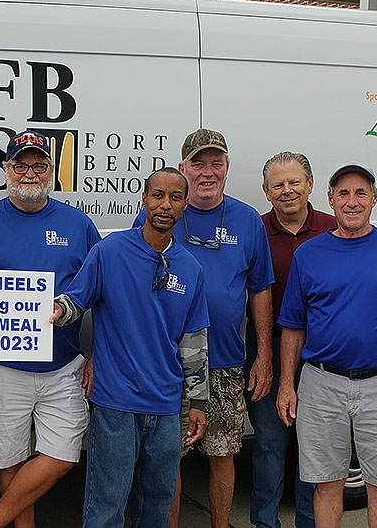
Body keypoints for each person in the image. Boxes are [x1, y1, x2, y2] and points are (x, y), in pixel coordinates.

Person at [276, 163, 377, 528]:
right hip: (321, 385)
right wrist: (288, 383)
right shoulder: (309, 254)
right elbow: (293, 326)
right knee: (326, 485)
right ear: (329, 200)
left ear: (374, 199)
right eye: (343, 194)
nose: (352, 201)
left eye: (361, 193)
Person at [52, 168, 210, 527]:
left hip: (167, 408)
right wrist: (58, 310)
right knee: (107, 505)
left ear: (185, 205)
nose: (165, 205)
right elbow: (77, 298)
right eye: (157, 195)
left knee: (156, 504)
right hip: (116, 404)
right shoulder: (110, 251)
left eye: (174, 197)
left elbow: (194, 342)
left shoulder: (191, 268)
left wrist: (198, 401)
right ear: (144, 199)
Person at [0, 130, 101, 528]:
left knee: (64, 454)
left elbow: (101, 295)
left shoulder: (79, 225)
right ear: (6, 170)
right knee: (9, 458)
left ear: (53, 172)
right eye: (20, 165)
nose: (30, 172)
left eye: (40, 165)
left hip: (63, 364)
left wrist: (96, 356)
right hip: (2, 366)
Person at [137, 129, 275, 528]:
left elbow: (260, 290)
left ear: (228, 168)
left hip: (226, 362)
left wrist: (263, 355)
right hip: (167, 365)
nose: (207, 172)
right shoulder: (160, 214)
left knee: (223, 453)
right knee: (167, 458)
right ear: (183, 169)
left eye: (216, 163)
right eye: (198, 163)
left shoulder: (248, 221)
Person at [248, 152, 336, 528]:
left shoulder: (336, 228)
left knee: (312, 447)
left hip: (322, 354)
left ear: (310, 184)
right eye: (278, 185)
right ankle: (264, 523)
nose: (287, 191)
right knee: (269, 442)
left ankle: (307, 521)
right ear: (266, 191)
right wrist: (264, 356)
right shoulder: (255, 231)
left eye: (294, 182)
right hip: (268, 347)